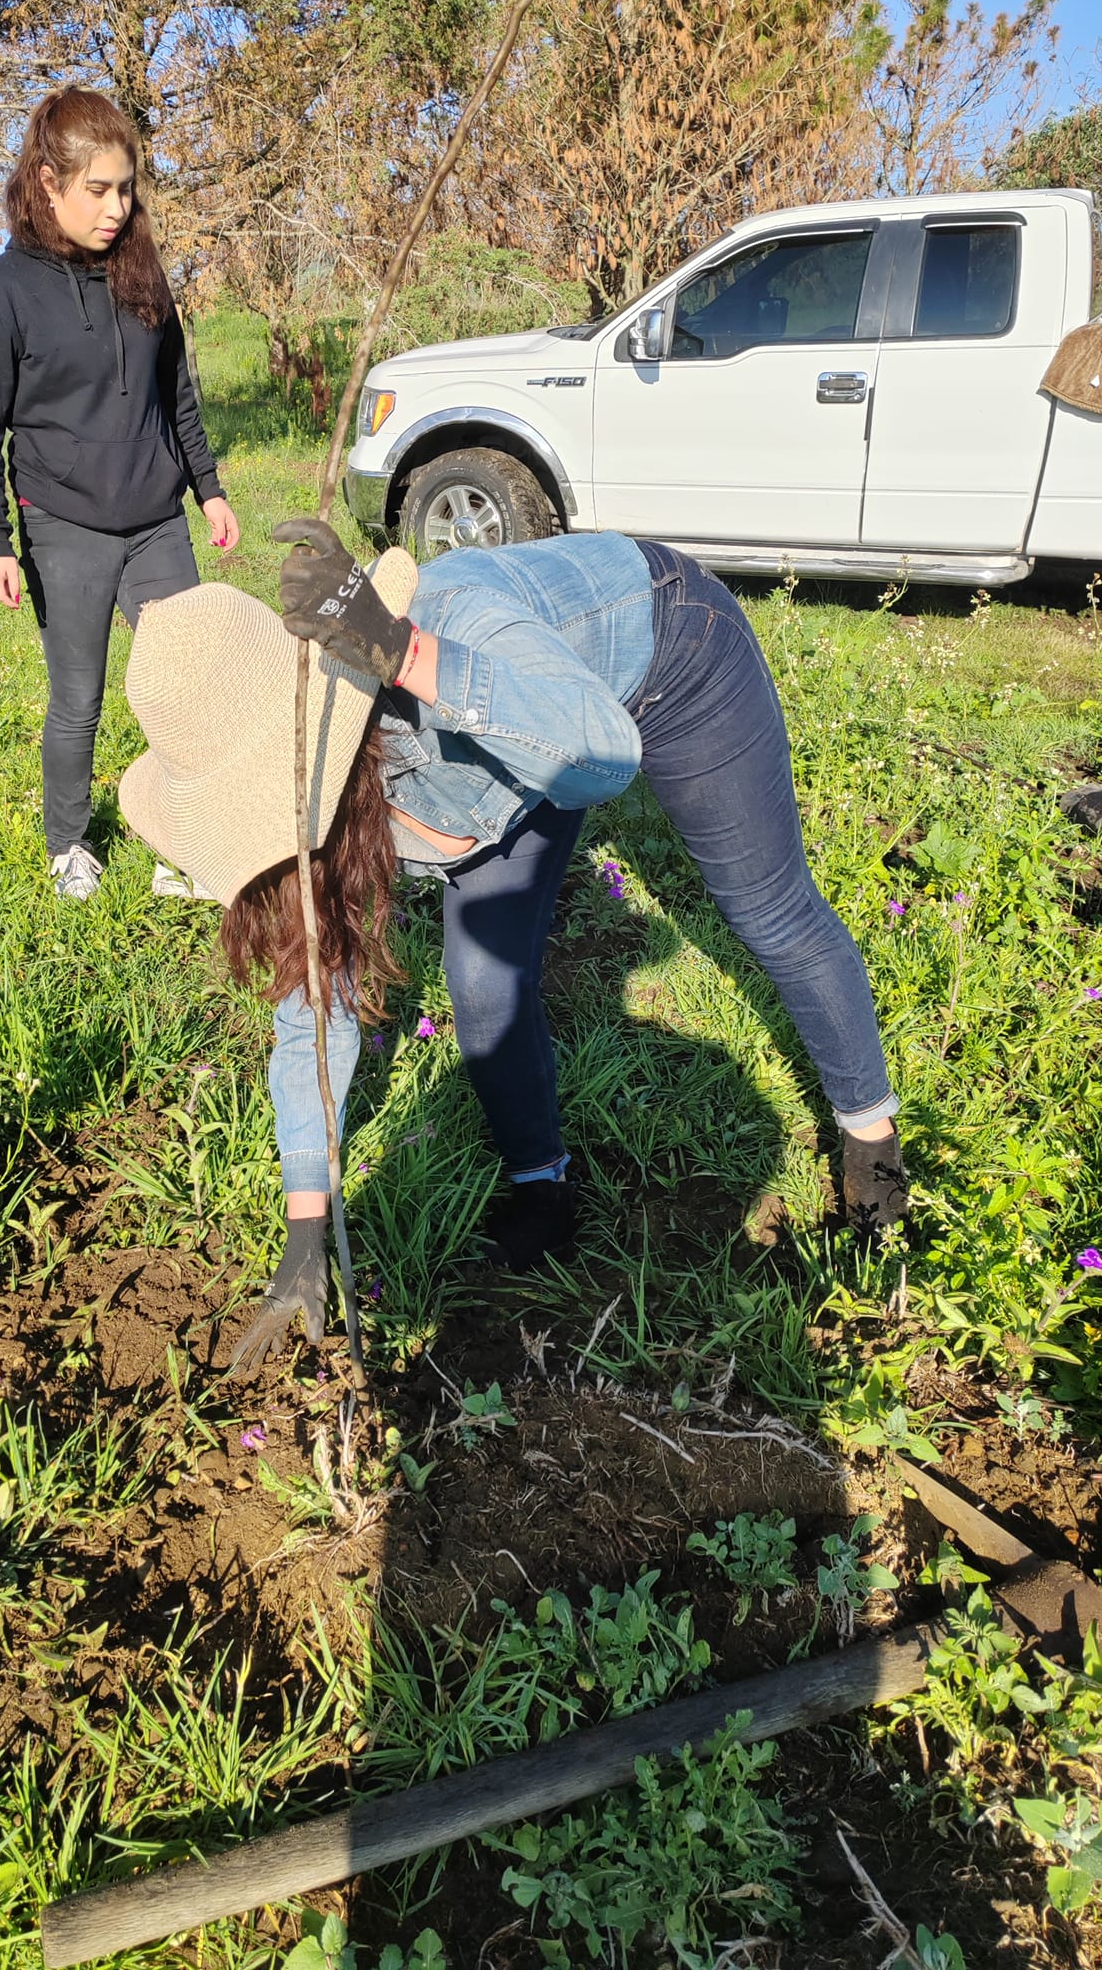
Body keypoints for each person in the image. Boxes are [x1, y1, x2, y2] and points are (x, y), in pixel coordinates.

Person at [119, 521, 908, 1371]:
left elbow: (601, 752)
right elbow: (313, 1003)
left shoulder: (450, 633)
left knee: (768, 912)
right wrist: (305, 1228)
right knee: (483, 980)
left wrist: (408, 652)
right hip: (507, 752)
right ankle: (543, 1186)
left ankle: (875, 1153)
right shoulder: (308, 821)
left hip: (663, 659)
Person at [0, 86, 240, 900]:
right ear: (48, 183)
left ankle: (177, 840)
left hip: (156, 519)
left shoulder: (140, 270)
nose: (118, 208)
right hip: (64, 527)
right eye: (99, 190)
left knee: (185, 687)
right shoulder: (0, 295)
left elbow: (174, 393)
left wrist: (208, 488)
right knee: (77, 701)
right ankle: (69, 845)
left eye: (127, 189)